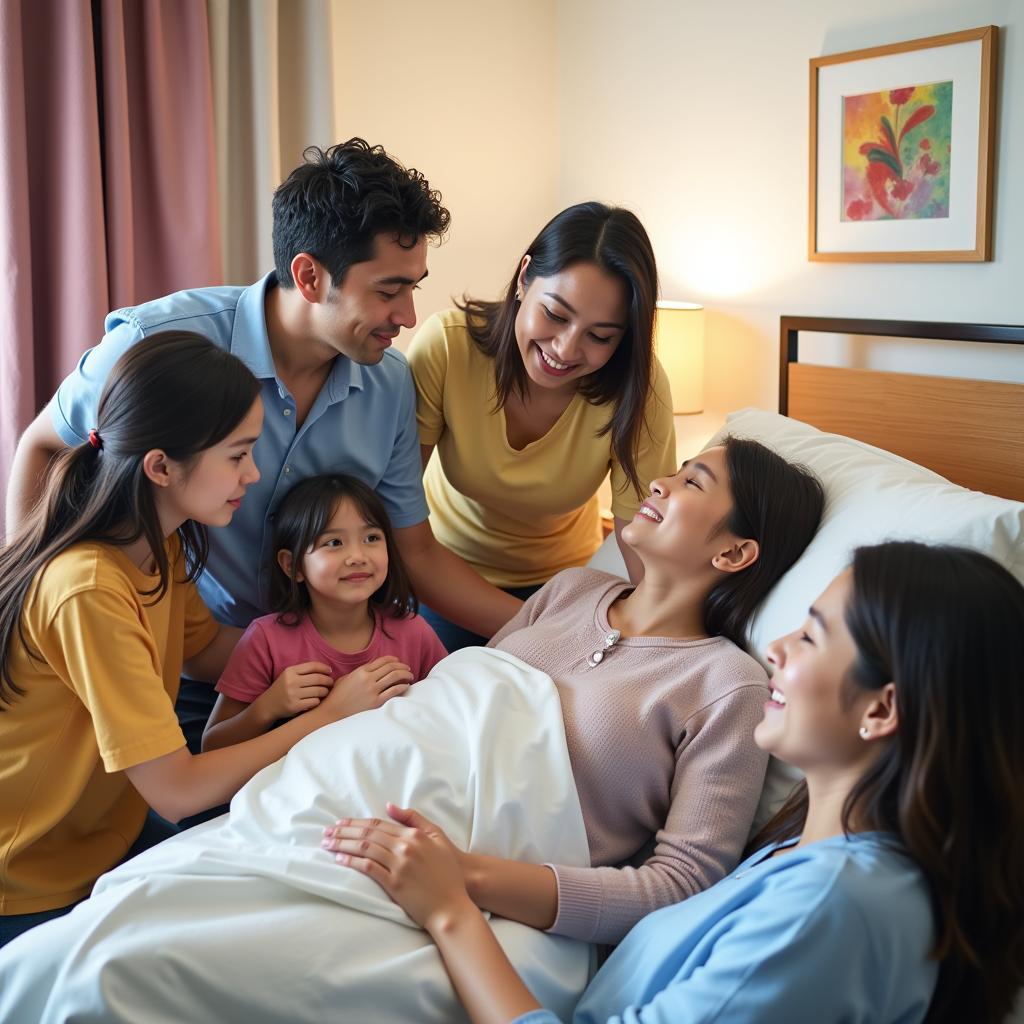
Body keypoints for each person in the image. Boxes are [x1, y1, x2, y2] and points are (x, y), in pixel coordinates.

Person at [322, 541, 1024, 1024]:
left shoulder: (831, 905)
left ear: (882, 707)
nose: (775, 648)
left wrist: (452, 909)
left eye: (809, 638)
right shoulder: (809, 859)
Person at [4, 139, 521, 751]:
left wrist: (545, 629)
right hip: (178, 660)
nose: (409, 316)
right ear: (308, 276)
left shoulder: (389, 385)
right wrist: (42, 622)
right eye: (387, 291)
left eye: (414, 288)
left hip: (314, 670)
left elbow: (417, 552)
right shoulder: (162, 342)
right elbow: (43, 449)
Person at [323, 437, 826, 945]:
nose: (659, 483)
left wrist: (462, 874)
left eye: (692, 482)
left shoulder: (725, 685)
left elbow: (683, 884)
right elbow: (457, 701)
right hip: (353, 782)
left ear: (735, 552)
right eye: (676, 471)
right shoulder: (570, 589)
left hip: (468, 883)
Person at [0, 334, 377, 950]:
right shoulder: (88, 588)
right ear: (160, 467)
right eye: (237, 456)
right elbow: (179, 789)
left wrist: (342, 646)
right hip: (31, 876)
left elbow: (206, 651)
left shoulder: (159, 543)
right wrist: (329, 716)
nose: (253, 475)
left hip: (105, 835)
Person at [407, 201, 677, 651]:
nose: (566, 349)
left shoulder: (639, 389)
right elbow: (400, 529)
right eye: (555, 314)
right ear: (524, 278)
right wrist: (544, 631)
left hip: (567, 592)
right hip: (443, 576)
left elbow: (642, 547)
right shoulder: (447, 349)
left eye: (600, 336)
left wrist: (666, 639)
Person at [202, 474, 447, 751]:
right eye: (334, 543)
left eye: (371, 538)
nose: (358, 555)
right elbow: (212, 746)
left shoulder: (413, 631)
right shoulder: (265, 640)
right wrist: (267, 707)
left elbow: (453, 715)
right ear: (292, 565)